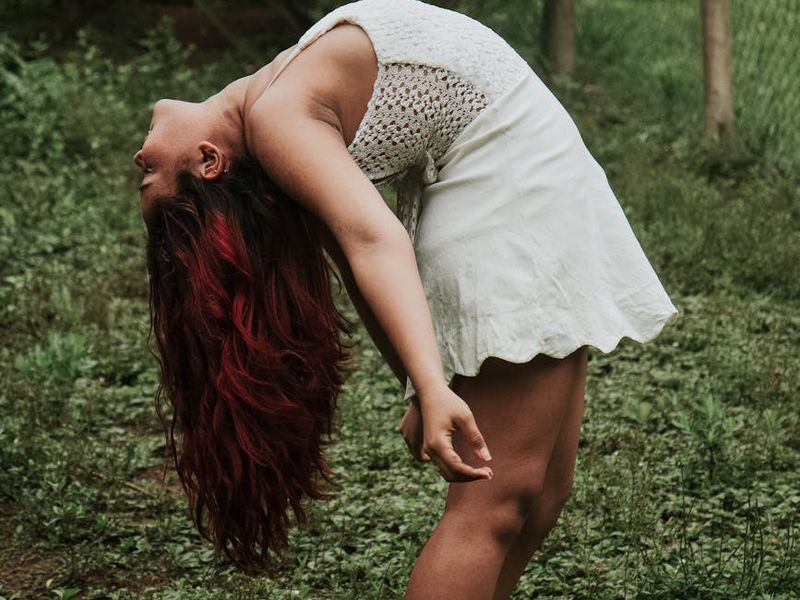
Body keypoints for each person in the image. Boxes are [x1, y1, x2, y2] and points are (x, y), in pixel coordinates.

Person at [134, 0, 679, 597]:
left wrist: (425, 382)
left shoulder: (275, 113)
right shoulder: (276, 119)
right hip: (510, 198)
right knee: (492, 507)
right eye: (149, 174)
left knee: (542, 494)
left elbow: (357, 262)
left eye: (143, 175)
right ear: (208, 162)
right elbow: (370, 244)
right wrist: (427, 384)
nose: (139, 159)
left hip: (520, 179)